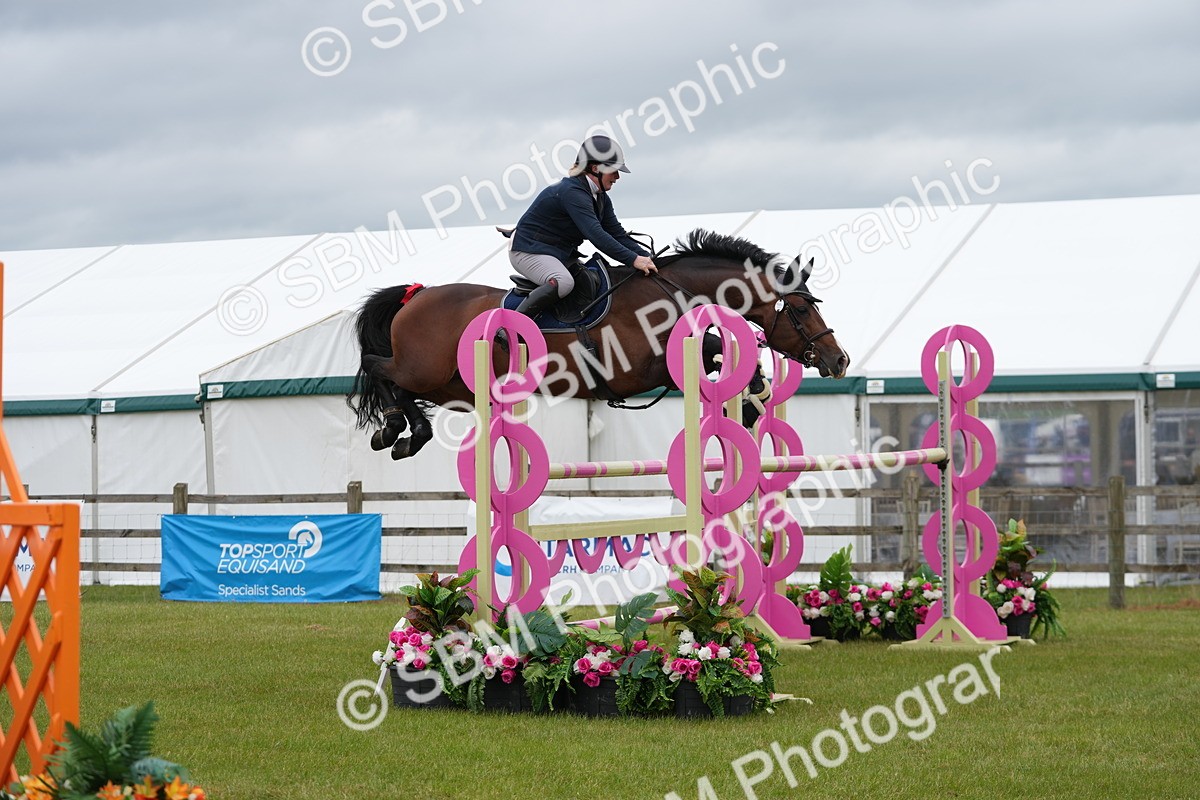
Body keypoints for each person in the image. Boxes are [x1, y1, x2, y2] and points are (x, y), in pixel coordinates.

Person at [505, 134, 657, 327]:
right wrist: (633, 260)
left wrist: (648, 257)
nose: (618, 177)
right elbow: (596, 234)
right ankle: (511, 326)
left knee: (591, 278)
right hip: (527, 250)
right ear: (595, 168)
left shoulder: (600, 198)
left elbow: (617, 234)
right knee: (564, 282)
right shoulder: (572, 192)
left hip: (556, 253)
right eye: (614, 171)